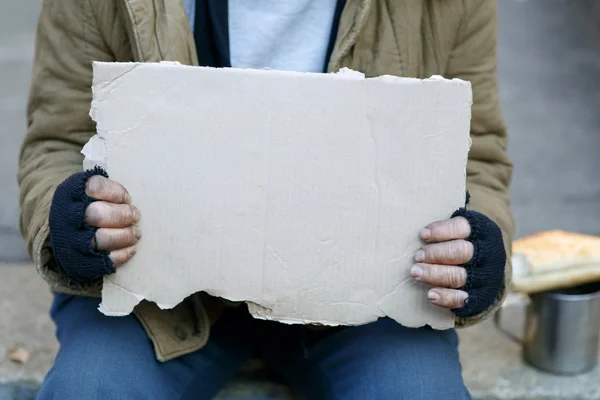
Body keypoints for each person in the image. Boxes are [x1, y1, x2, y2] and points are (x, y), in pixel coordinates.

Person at [19, 1, 513, 399]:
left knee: (418, 393)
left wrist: (478, 249)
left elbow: (478, 157)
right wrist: (70, 220)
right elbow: (59, 141)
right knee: (90, 388)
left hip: (365, 300)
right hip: (154, 300)